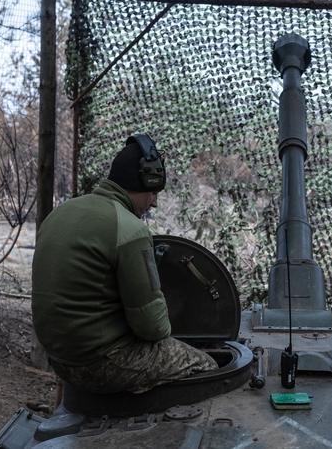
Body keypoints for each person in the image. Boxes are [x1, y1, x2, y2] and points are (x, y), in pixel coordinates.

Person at [31, 133, 217, 394]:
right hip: (100, 363)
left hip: (60, 361)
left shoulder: (60, 213)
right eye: (153, 192)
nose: (154, 202)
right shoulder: (130, 228)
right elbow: (153, 328)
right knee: (207, 366)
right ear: (142, 182)